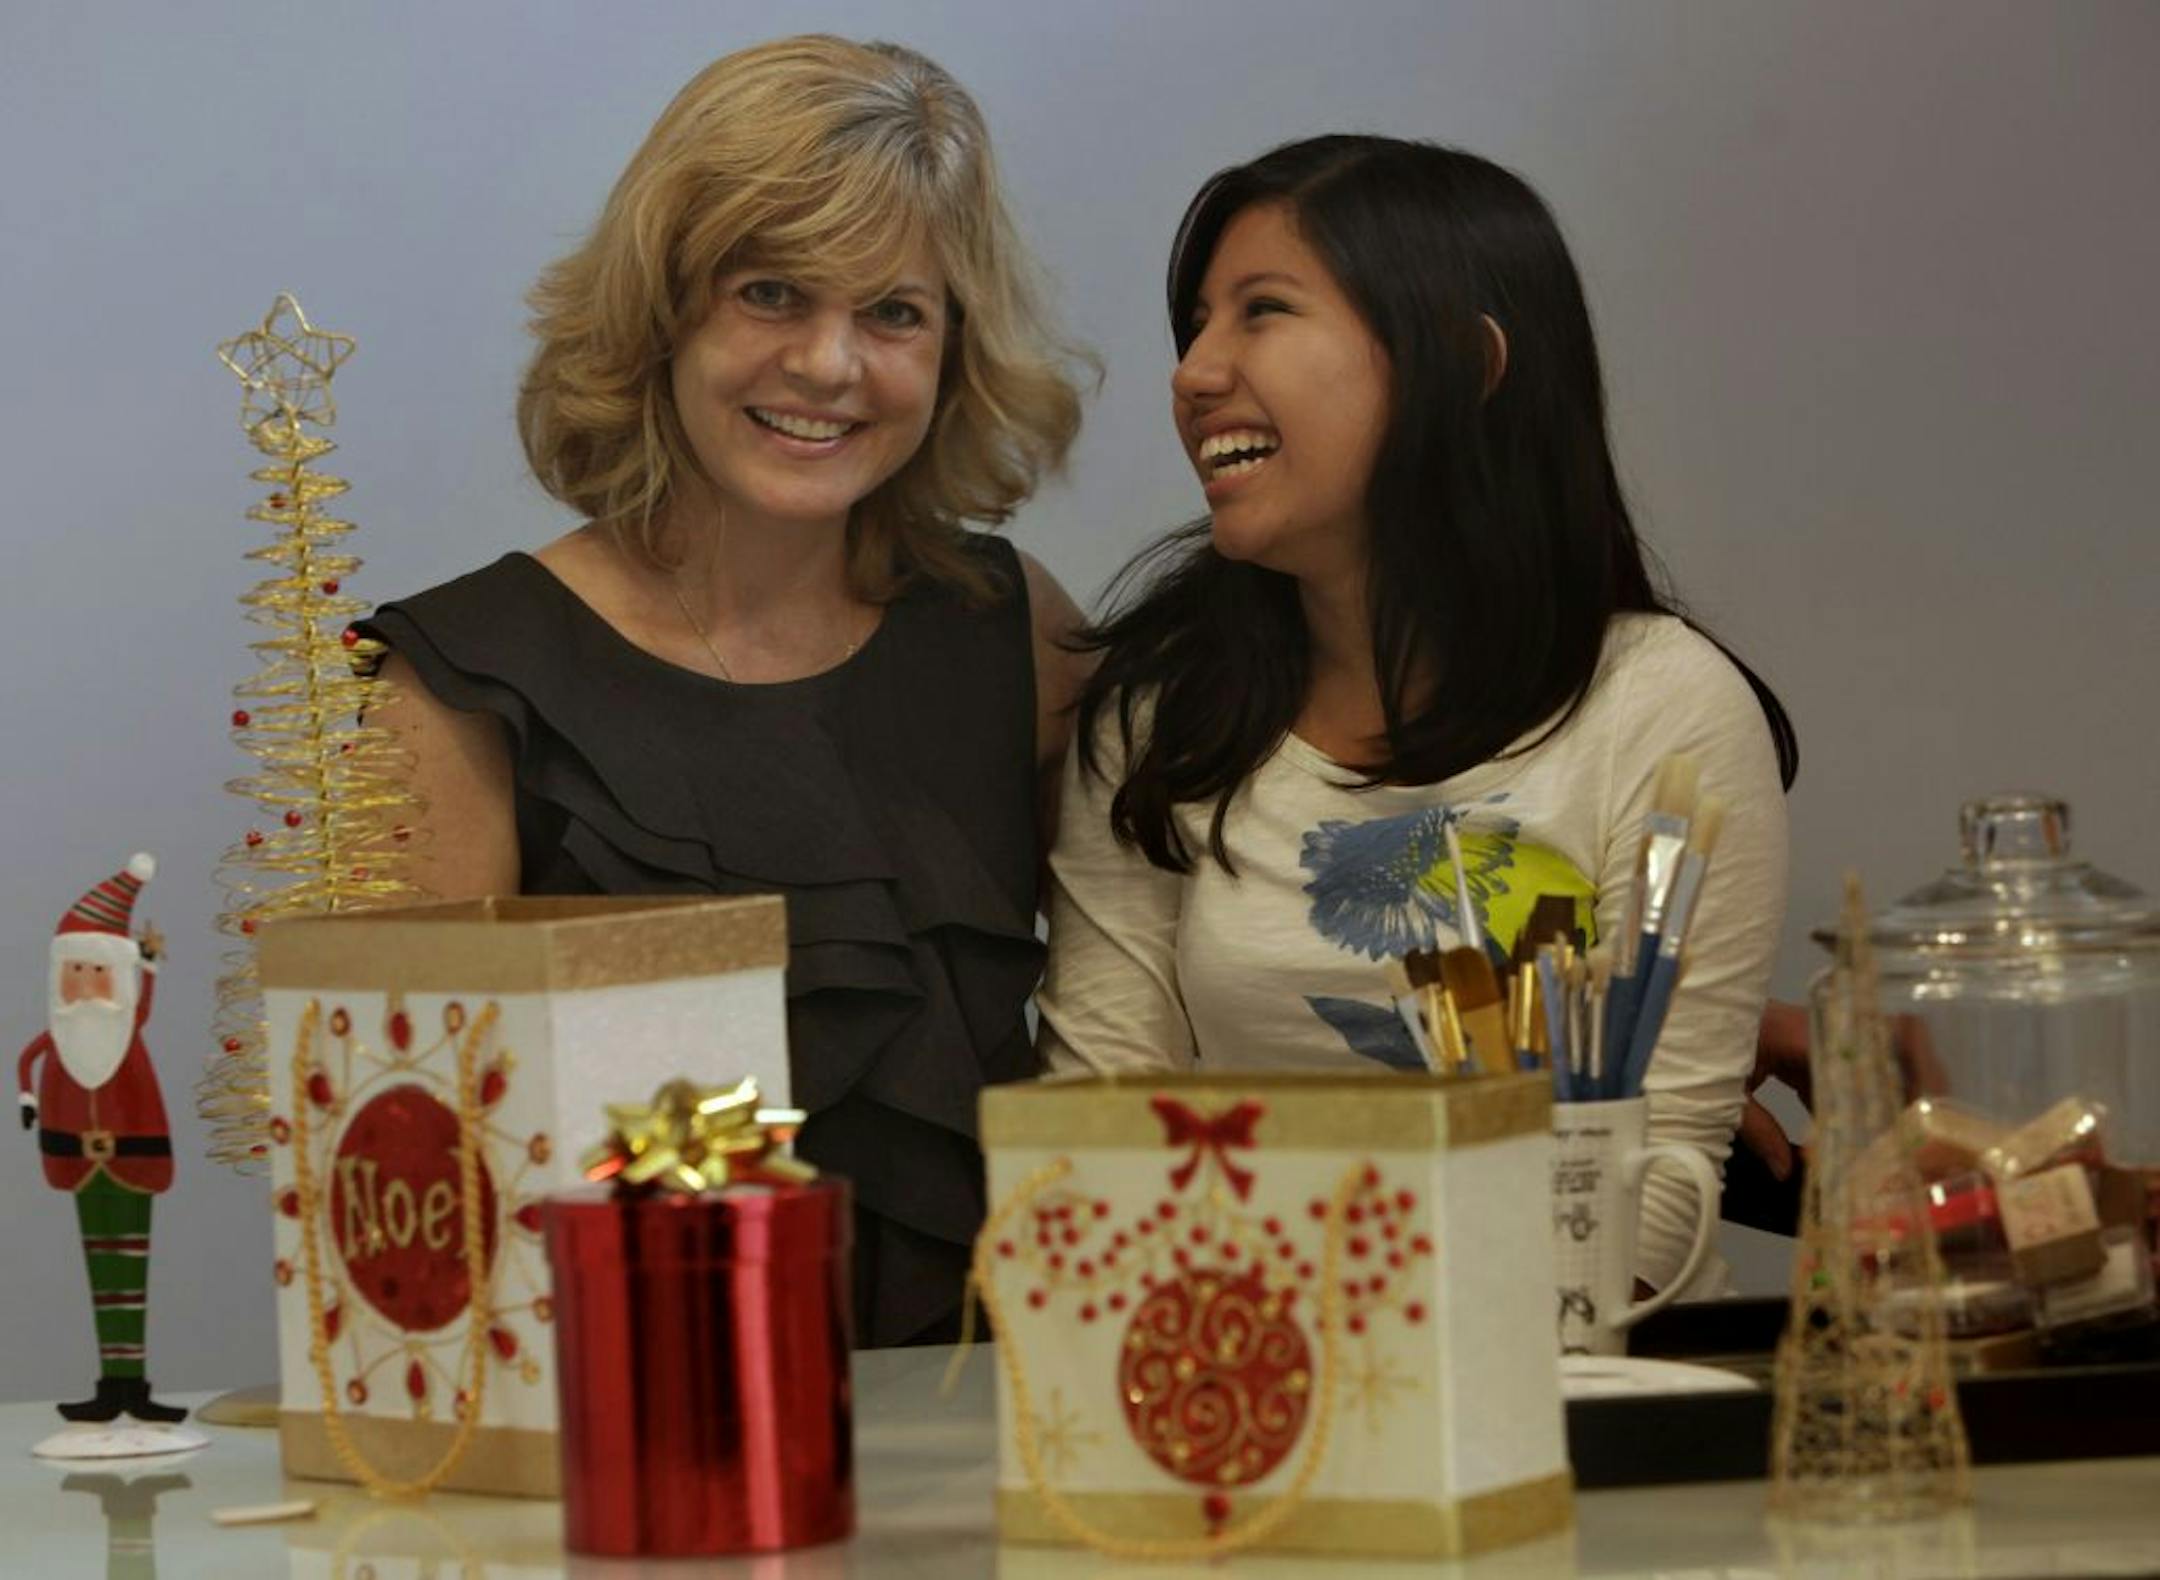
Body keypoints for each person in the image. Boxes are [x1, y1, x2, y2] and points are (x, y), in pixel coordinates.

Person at [360, 36, 1092, 1346]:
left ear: (952, 349)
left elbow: (1142, 1042)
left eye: (893, 314)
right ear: (664, 311)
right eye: (771, 292)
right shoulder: (454, 692)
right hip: (625, 1474)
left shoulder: (1015, 637)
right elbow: (414, 1200)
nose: (829, 366)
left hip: (993, 1448)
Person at [1036, 136, 1796, 1295]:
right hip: (1245, 1406)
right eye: (1197, 320)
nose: (1194, 370)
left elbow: (1655, 1201)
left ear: (1464, 361)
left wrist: (1274, 1250)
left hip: (1584, 1417)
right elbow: (1094, 1147)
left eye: (1263, 311)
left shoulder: (1664, 705)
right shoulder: (1160, 716)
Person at [17, 854, 188, 1422]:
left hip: (132, 1164)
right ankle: (110, 1385)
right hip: (78, 1165)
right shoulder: (60, 1042)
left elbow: (144, 1009)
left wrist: (153, 964)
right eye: (77, 972)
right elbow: (27, 1060)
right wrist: (29, 1100)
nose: (87, 987)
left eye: (98, 973)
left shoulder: (125, 1035)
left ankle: (133, 1384)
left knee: (131, 1269)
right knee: (101, 1272)